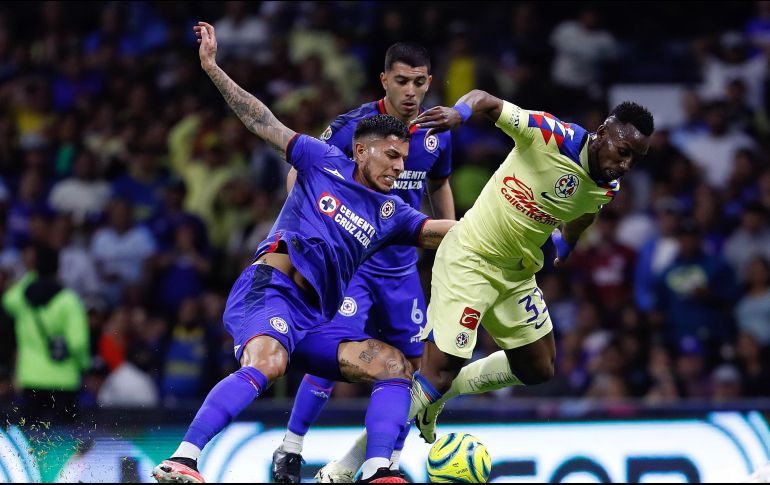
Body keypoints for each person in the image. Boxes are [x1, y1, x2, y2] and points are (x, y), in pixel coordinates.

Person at [152, 22, 456, 484]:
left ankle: (377, 471)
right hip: (270, 291)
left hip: (316, 317)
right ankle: (184, 458)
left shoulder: (394, 213)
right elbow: (261, 120)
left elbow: (446, 231)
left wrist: (525, 222)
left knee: (395, 366)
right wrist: (213, 68)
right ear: (360, 150)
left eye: (403, 158)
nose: (400, 167)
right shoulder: (320, 161)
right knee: (269, 363)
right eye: (391, 157)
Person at [324, 89, 653, 474]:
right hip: (471, 259)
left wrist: (568, 241)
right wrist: (460, 113)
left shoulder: (608, 186)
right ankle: (345, 467)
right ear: (601, 133)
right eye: (623, 150)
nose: (626, 163)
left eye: (635, 158)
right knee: (437, 372)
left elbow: (584, 209)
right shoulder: (550, 134)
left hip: (516, 275)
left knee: (539, 367)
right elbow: (486, 100)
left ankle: (445, 394)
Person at [274, 42, 454, 483]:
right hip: (353, 265)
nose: (410, 91)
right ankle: (291, 447)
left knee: (412, 370)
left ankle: (381, 461)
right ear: (384, 81)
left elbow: (440, 182)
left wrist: (449, 237)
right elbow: (301, 170)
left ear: (428, 83)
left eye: (419, 82)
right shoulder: (353, 127)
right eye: (401, 81)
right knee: (336, 351)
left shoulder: (438, 131)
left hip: (403, 271)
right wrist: (306, 225)